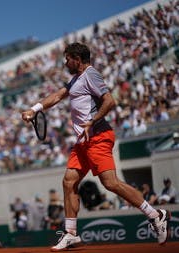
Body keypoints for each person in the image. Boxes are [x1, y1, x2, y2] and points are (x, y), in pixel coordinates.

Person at [21, 42, 170, 251]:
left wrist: (91, 121)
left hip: (98, 137)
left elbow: (110, 101)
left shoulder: (91, 74)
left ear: (77, 59)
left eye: (67, 58)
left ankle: (155, 215)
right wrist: (33, 109)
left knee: (110, 183)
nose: (65, 62)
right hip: (82, 142)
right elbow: (57, 96)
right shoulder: (75, 80)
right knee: (69, 181)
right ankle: (71, 233)